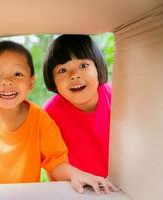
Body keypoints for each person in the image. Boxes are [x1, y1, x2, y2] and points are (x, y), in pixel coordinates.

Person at [0, 40, 116, 199]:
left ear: (31, 82)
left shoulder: (40, 118)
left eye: (17, 74)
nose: (7, 81)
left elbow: (55, 162)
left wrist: (75, 174)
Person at [43, 34, 115, 180]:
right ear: (53, 80)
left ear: (98, 67)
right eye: (62, 70)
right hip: (77, 189)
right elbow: (51, 163)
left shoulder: (117, 96)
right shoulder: (50, 113)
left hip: (121, 185)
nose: (74, 75)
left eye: (83, 65)